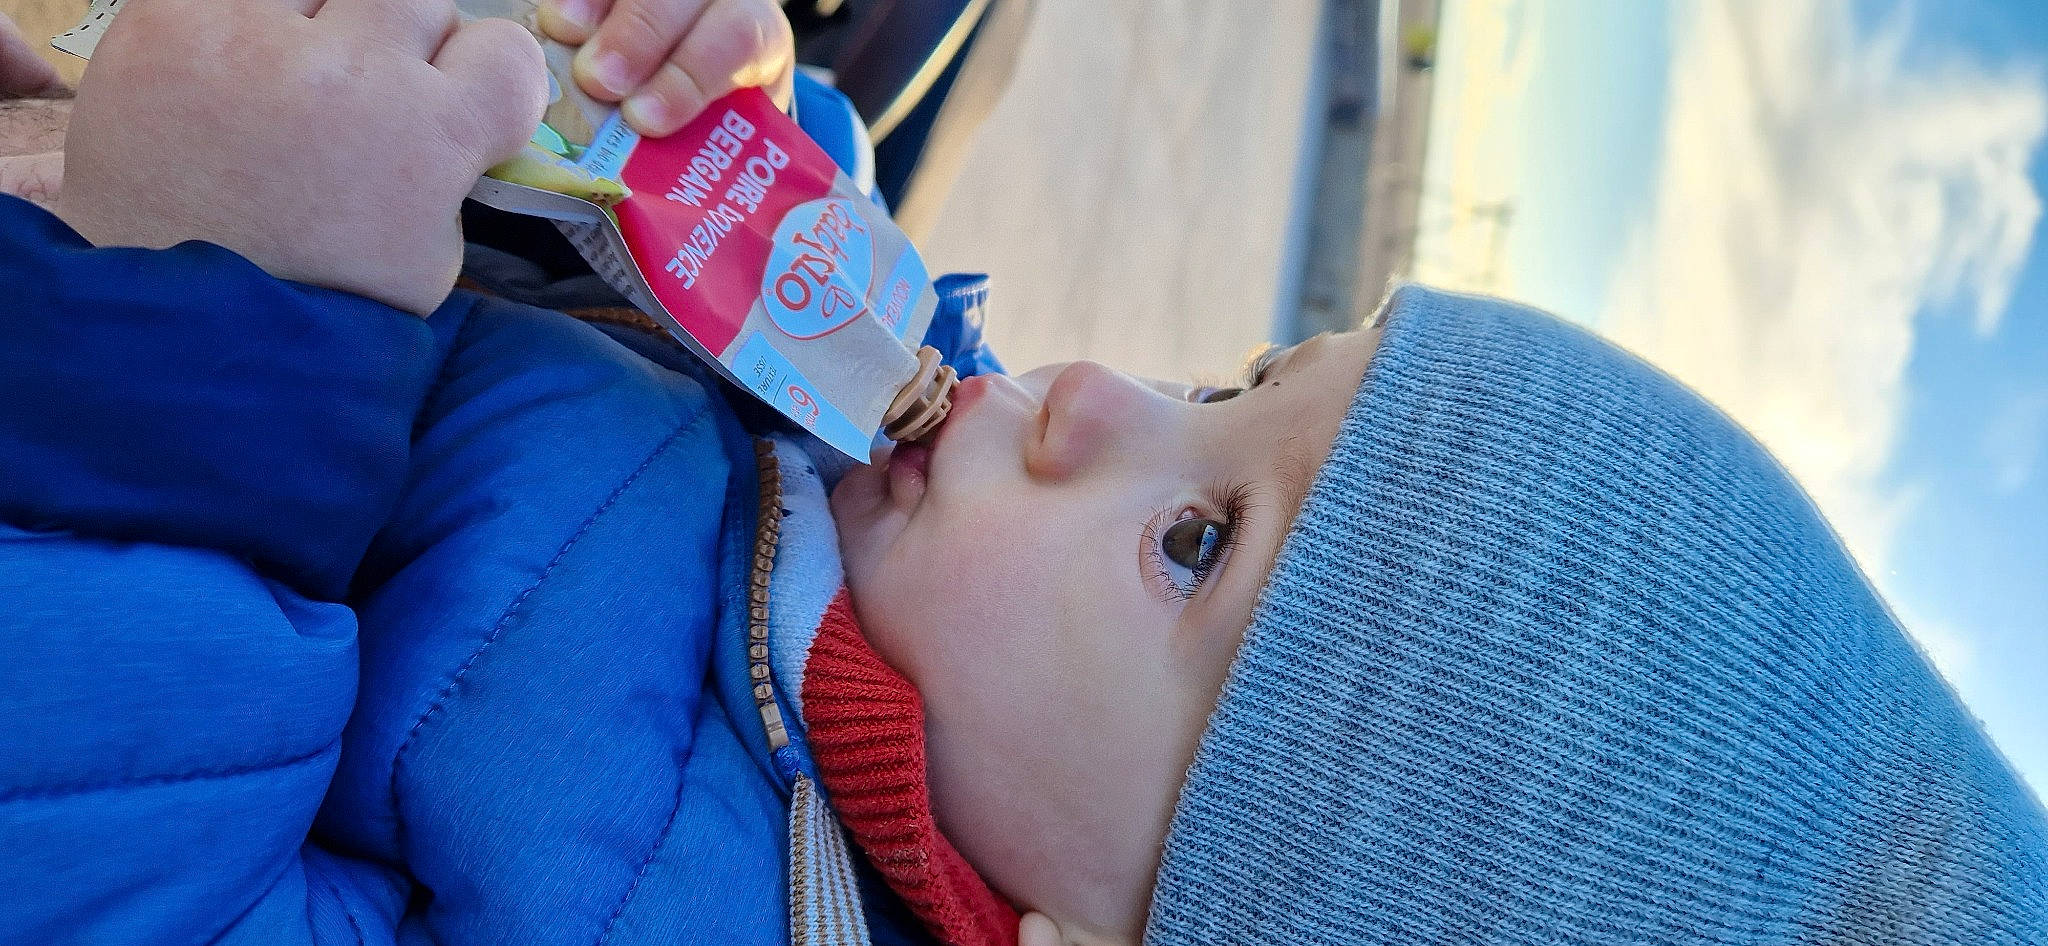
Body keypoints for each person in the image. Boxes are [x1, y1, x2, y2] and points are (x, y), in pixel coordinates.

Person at [4, 5, 2046, 946]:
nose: (1086, 396)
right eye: (1236, 379)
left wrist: (214, 334)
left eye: (1192, 540)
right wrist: (689, 112)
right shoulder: (918, 517)